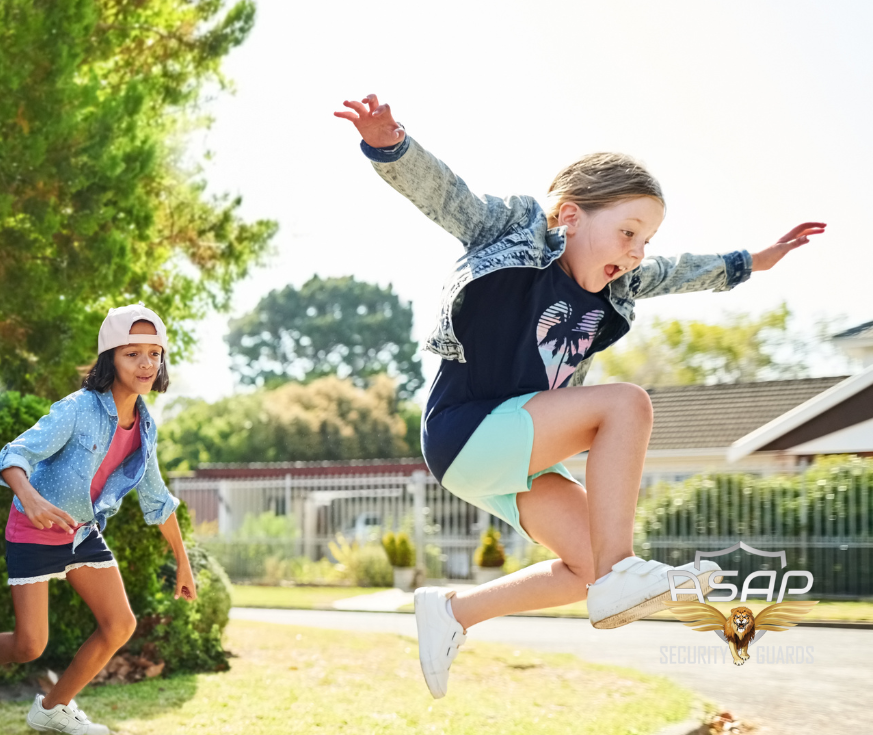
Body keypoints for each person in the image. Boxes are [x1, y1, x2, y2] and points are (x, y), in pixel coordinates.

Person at [333, 93, 825, 698]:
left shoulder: (623, 286)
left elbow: (678, 270)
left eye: (644, 240)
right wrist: (391, 146)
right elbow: (448, 196)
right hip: (466, 431)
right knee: (626, 405)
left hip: (512, 459)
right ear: (568, 216)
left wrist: (754, 261)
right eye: (627, 232)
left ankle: (454, 613)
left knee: (584, 567)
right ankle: (625, 571)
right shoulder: (514, 231)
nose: (636, 253)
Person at [0, 304, 197, 735]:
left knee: (120, 624)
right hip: (34, 531)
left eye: (154, 353)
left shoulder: (145, 426)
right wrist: (29, 499)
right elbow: (13, 455)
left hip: (82, 534)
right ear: (110, 357)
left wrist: (183, 561)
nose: (146, 364)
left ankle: (53, 708)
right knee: (30, 645)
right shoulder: (78, 408)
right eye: (133, 354)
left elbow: (157, 498)